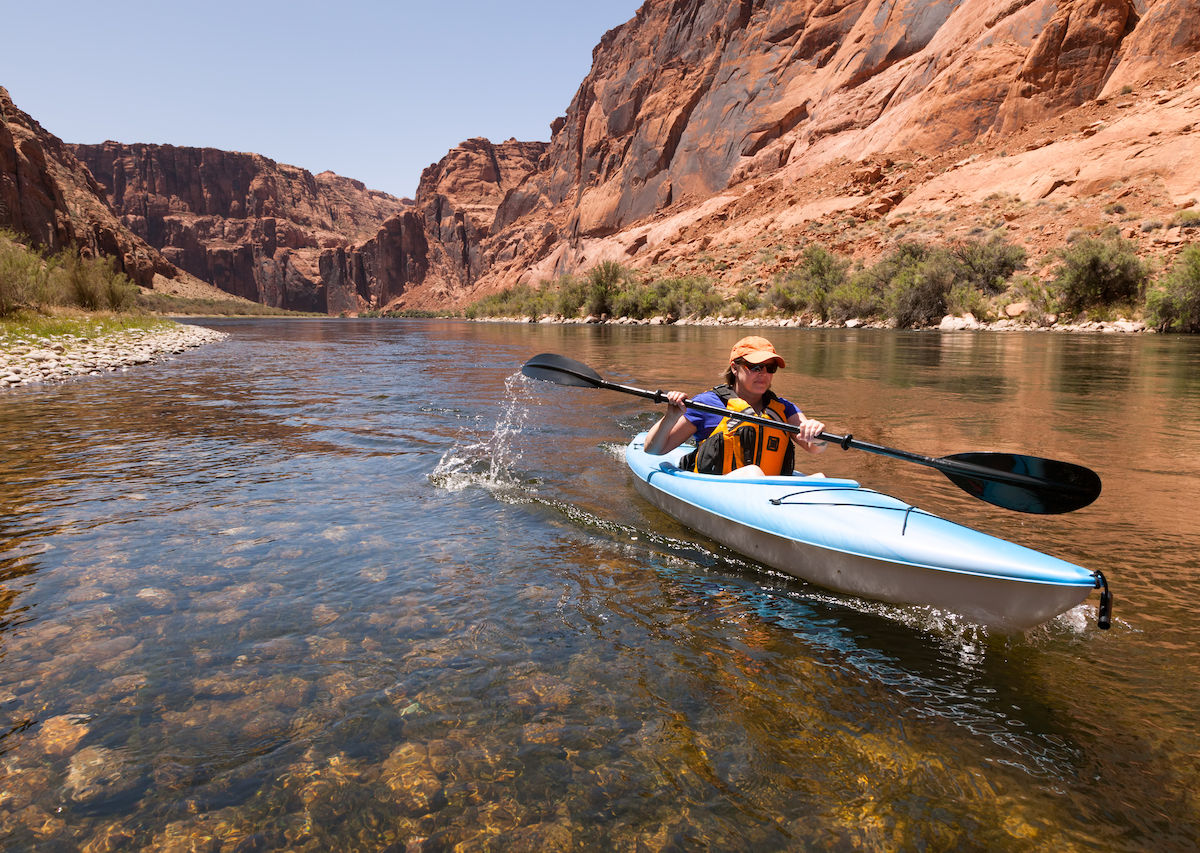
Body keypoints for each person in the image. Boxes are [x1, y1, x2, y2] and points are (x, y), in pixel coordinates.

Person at [644, 336, 825, 477]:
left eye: (770, 368)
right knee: (752, 472)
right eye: (755, 367)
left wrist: (815, 433)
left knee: (820, 477)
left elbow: (816, 448)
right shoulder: (708, 404)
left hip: (771, 495)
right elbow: (654, 450)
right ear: (734, 368)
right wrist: (671, 416)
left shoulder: (784, 409)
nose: (764, 374)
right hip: (721, 488)